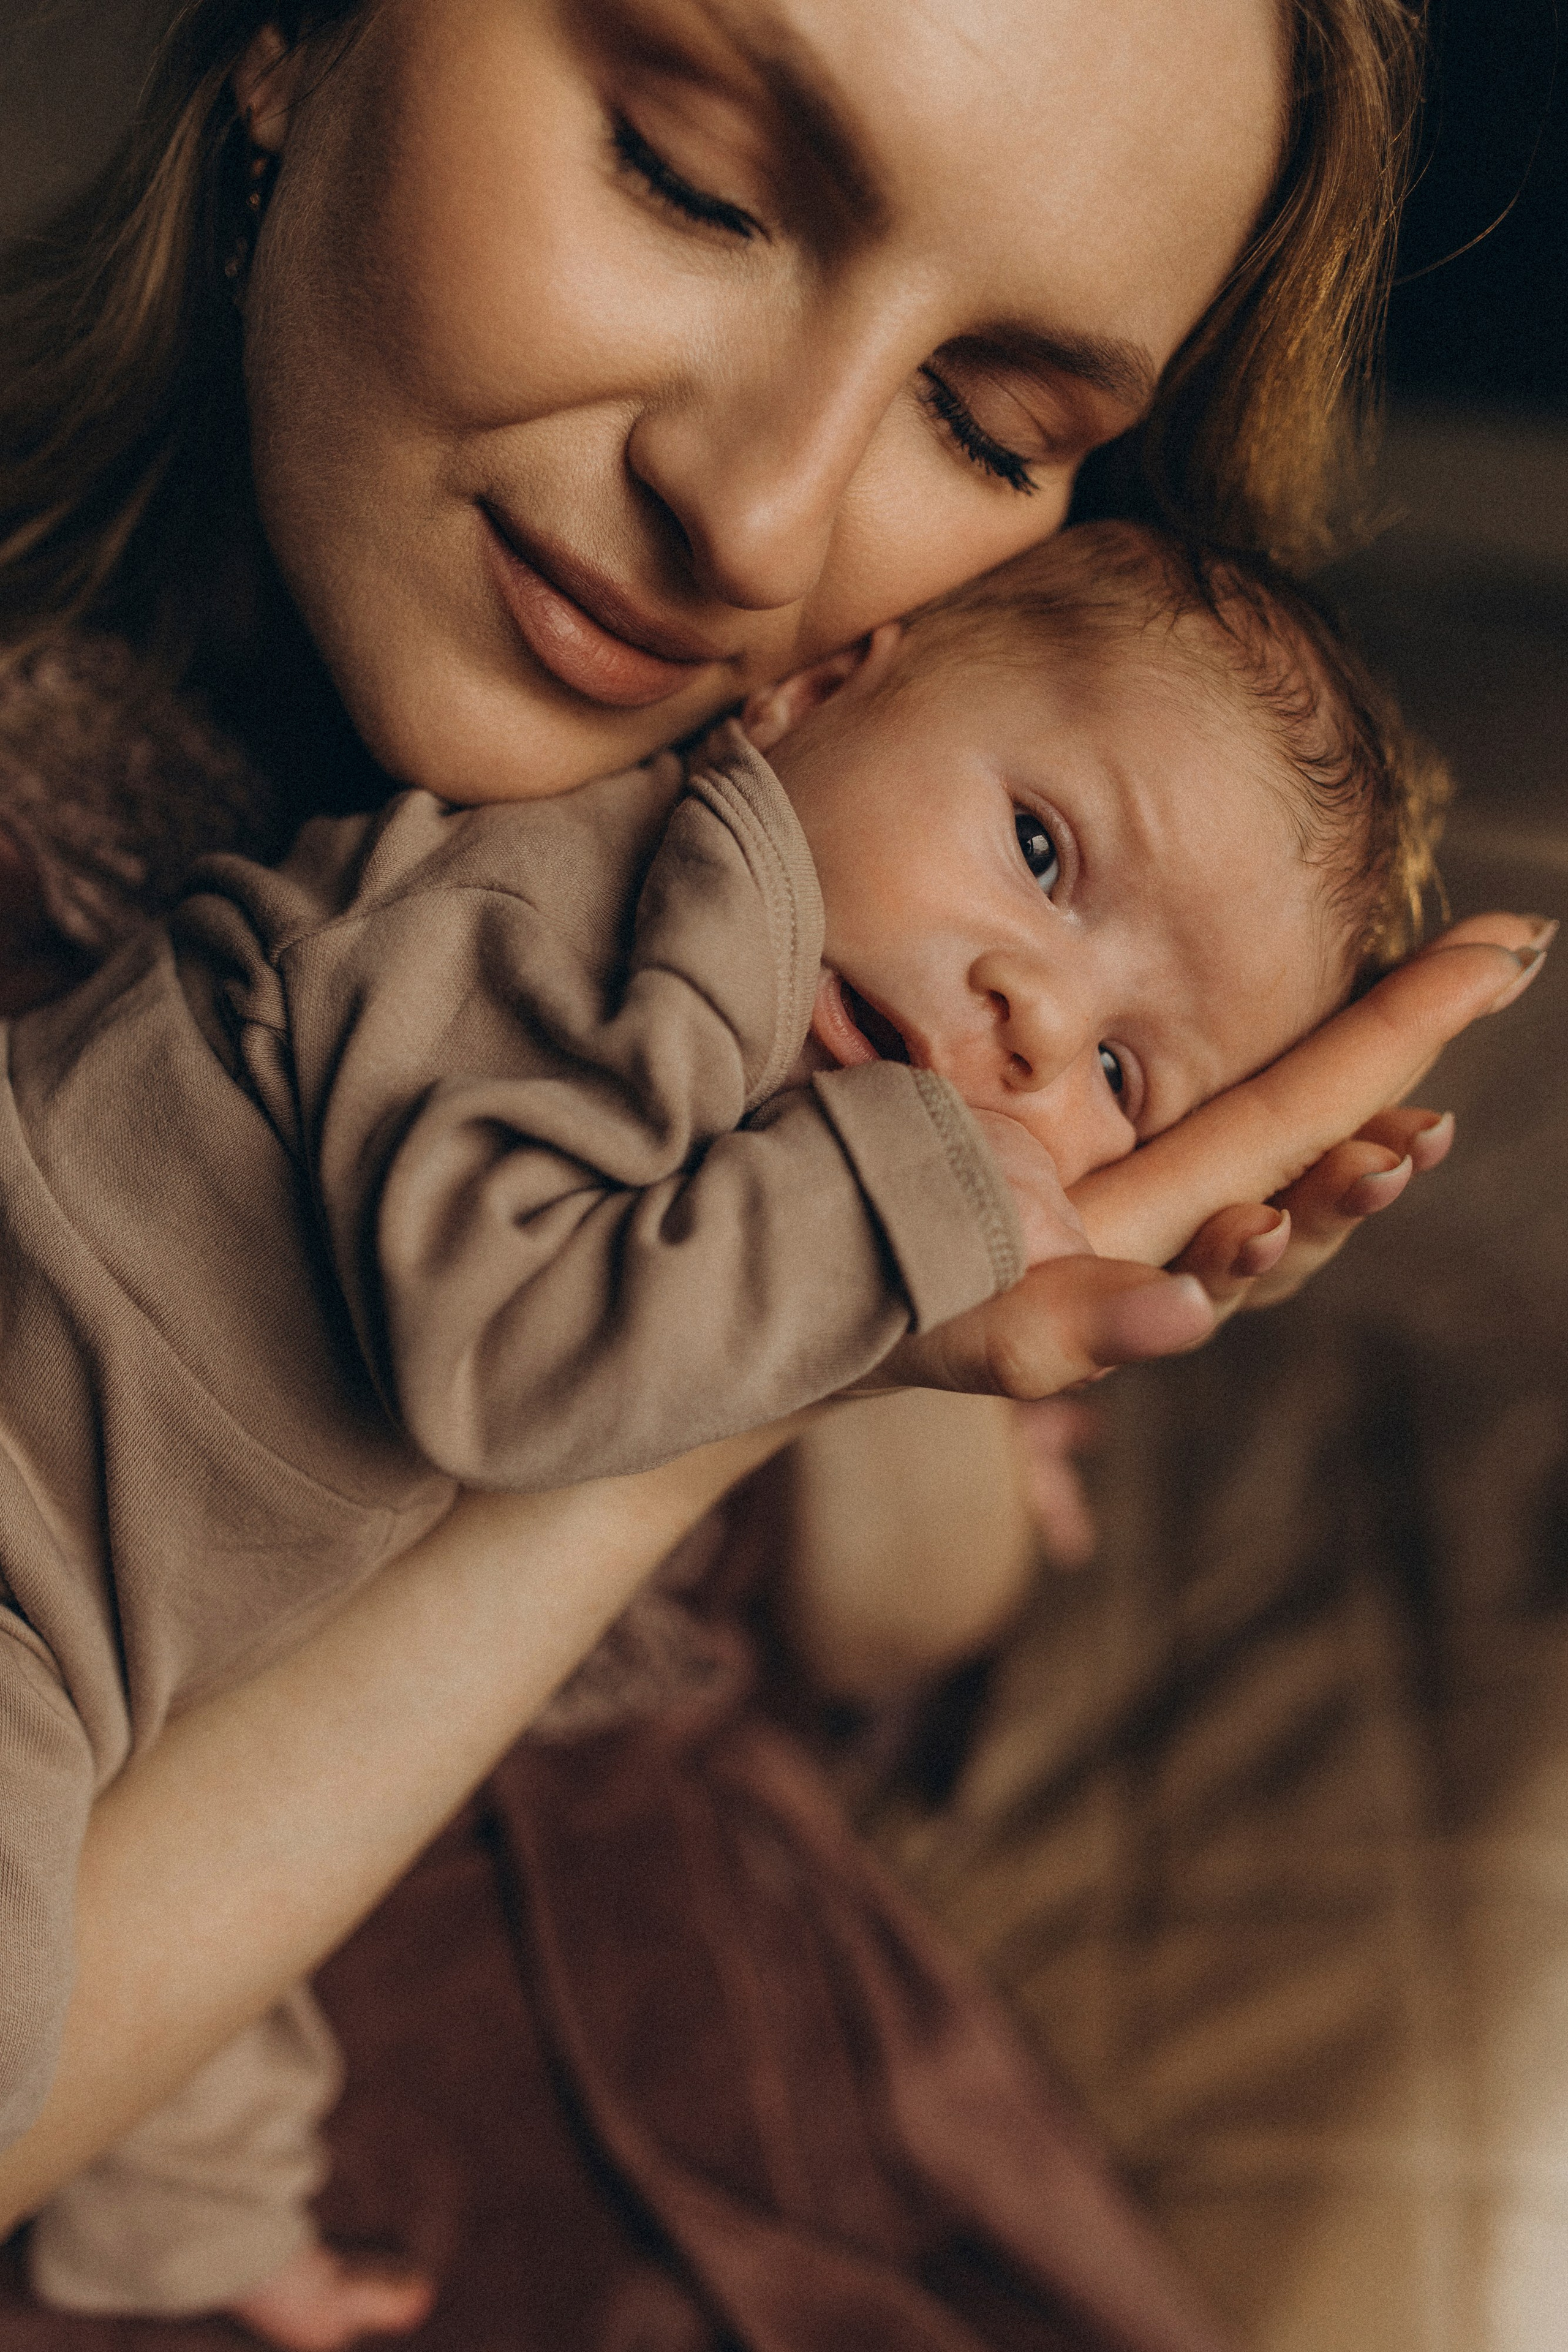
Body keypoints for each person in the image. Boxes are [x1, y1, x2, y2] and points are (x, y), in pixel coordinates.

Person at [0, 1, 1537, 2345]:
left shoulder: (837, 901)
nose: (764, 520)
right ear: (300, 32)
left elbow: (877, 1636)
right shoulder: (532, 933)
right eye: (693, 181)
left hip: (781, 2107)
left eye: (986, 420)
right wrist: (825, 1287)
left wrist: (976, 1321)